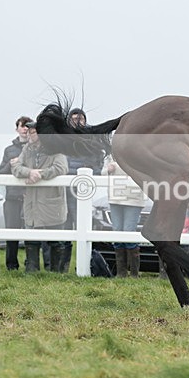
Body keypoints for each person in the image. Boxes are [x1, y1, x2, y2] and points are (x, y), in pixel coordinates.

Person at [11, 121, 68, 273]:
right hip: (32, 202)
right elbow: (16, 167)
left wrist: (40, 175)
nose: (29, 134)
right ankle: (32, 270)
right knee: (31, 238)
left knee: (55, 240)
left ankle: (57, 272)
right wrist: (29, 172)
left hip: (51, 202)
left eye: (33, 131)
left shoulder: (56, 149)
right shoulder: (26, 149)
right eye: (28, 131)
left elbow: (61, 168)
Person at [58, 107, 105, 272]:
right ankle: (62, 267)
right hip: (65, 189)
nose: (78, 121)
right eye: (75, 118)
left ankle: (84, 265)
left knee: (84, 227)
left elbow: (99, 163)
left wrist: (90, 170)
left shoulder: (92, 139)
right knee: (65, 226)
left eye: (81, 118)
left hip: (83, 192)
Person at [0, 116, 32, 270]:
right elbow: (1, 171)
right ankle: (11, 265)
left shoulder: (35, 149)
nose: (24, 129)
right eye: (22, 126)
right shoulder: (9, 150)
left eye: (28, 126)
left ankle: (31, 264)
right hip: (12, 197)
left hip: (30, 197)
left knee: (30, 233)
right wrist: (12, 164)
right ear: (16, 128)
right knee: (11, 233)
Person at [103, 156, 146, 277]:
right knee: (117, 232)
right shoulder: (110, 155)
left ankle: (134, 273)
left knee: (128, 232)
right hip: (115, 197)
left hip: (133, 198)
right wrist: (108, 170)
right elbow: (102, 173)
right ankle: (121, 272)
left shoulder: (139, 152)